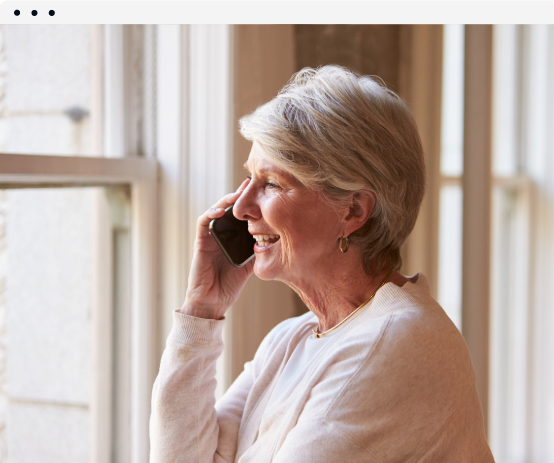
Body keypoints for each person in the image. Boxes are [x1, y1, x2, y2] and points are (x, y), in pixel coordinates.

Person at [149, 65, 495, 462]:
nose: (241, 207)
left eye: (272, 183)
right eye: (247, 179)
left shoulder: (396, 342)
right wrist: (202, 310)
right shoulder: (289, 341)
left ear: (352, 209)